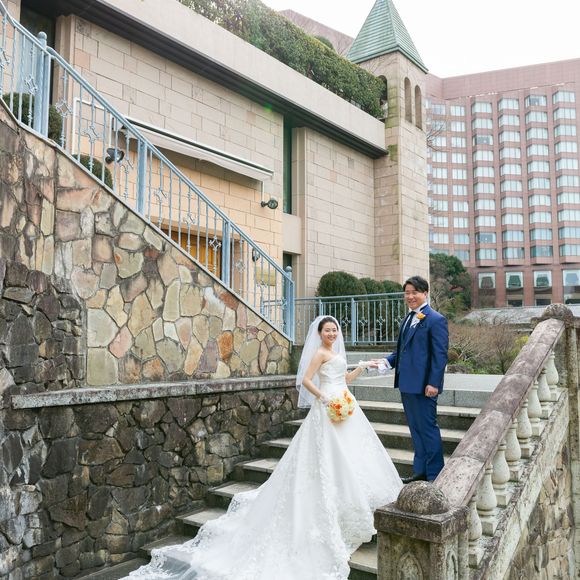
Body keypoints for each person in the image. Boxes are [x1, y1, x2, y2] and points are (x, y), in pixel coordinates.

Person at [123, 315, 402, 580]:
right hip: (328, 406)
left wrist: (361, 367)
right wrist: (323, 397)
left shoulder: (336, 353)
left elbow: (344, 380)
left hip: (345, 405)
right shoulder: (319, 353)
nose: (332, 333)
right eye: (327, 330)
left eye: (334, 330)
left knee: (351, 456)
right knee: (326, 458)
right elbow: (305, 380)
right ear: (319, 334)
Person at [374, 276, 448, 483]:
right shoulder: (407, 319)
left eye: (414, 292)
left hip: (425, 385)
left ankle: (435, 474)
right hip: (407, 384)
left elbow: (440, 355)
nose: (410, 296)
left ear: (425, 293)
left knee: (428, 429)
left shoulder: (436, 319)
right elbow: (402, 351)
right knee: (415, 430)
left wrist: (433, 383)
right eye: (407, 293)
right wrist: (385, 362)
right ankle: (420, 471)